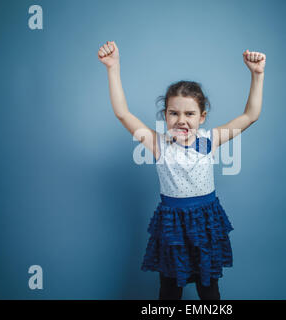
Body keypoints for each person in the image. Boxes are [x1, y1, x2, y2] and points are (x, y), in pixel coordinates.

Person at [97, 41, 266, 300]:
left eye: (189, 113)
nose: (181, 120)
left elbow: (250, 116)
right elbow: (122, 113)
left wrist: (257, 74)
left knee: (208, 289)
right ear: (165, 115)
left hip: (205, 222)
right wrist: (113, 67)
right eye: (173, 113)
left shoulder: (210, 140)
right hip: (173, 224)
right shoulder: (158, 144)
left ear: (202, 117)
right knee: (169, 290)